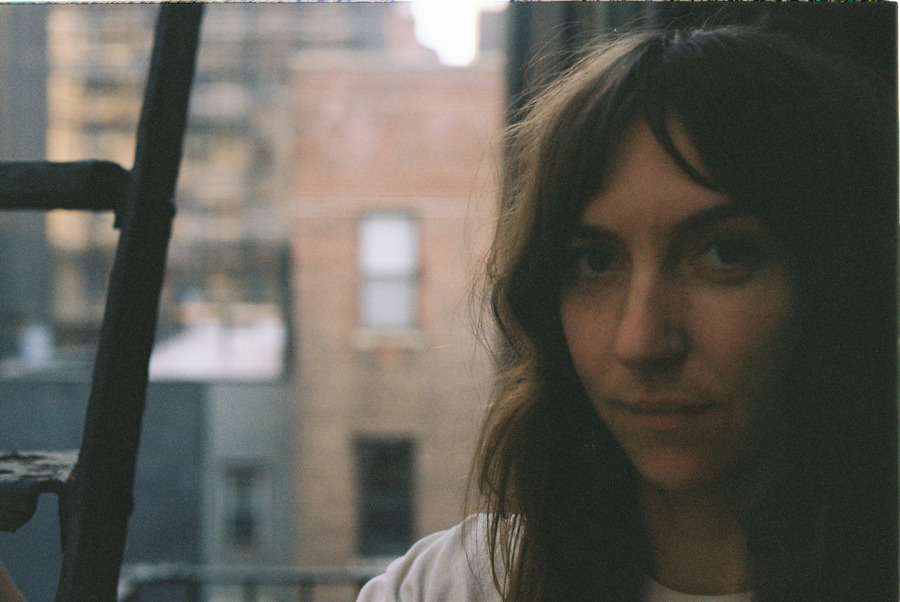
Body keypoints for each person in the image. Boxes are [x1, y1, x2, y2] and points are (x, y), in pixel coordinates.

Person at [358, 21, 897, 602]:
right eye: (595, 262)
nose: (640, 341)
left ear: (832, 283)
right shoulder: (453, 587)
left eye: (724, 254)